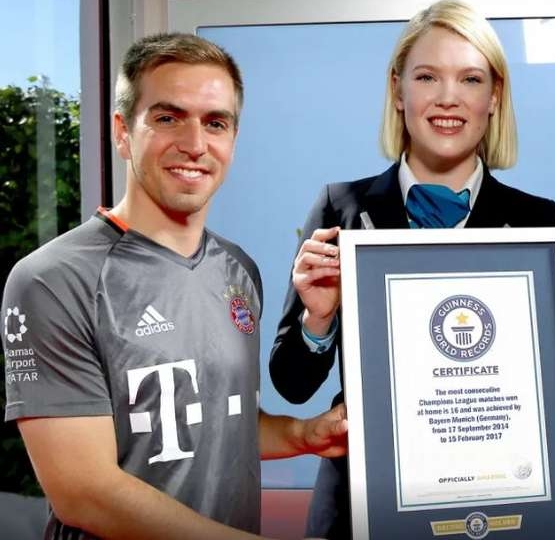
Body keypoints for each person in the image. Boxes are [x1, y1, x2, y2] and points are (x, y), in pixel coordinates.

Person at [1, 32, 348, 540]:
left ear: (232, 140)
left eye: (215, 123)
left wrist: (302, 434)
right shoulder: (52, 280)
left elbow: (215, 421)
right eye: (168, 118)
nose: (195, 144)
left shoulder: (238, 269)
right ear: (123, 132)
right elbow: (84, 492)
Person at [268, 0, 555, 539]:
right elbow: (291, 384)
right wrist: (318, 321)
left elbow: (553, 396)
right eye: (427, 77)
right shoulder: (341, 208)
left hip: (497, 502)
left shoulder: (538, 223)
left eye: (470, 79)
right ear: (398, 90)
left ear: (494, 97)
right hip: (363, 500)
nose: (448, 97)